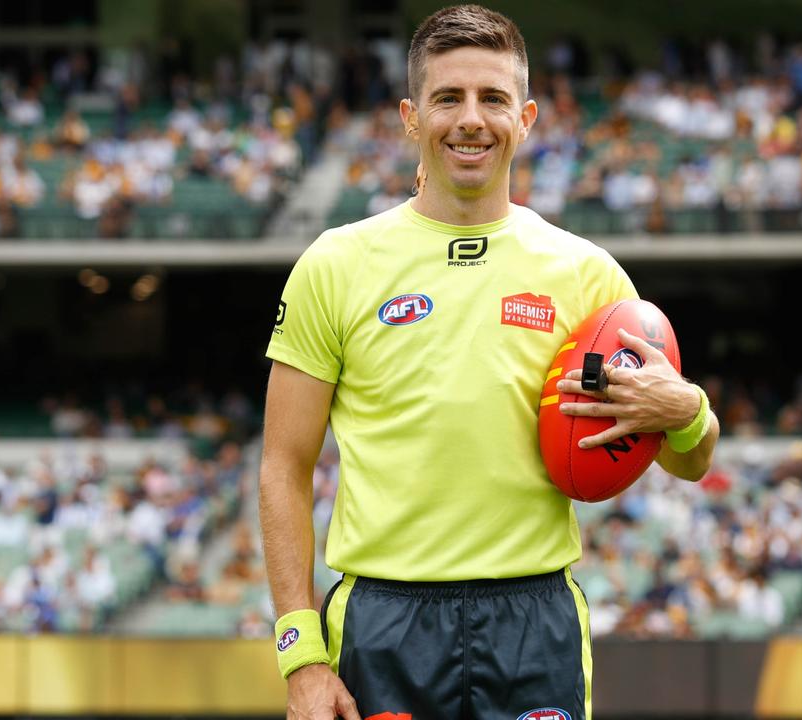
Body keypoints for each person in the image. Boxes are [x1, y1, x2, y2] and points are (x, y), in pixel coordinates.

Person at [260, 6, 719, 720]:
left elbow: (690, 460)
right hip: (384, 619)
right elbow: (282, 466)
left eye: (492, 98)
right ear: (412, 117)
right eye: (448, 98)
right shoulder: (336, 265)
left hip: (534, 619)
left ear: (527, 116)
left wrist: (687, 411)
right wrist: (301, 655)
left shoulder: (587, 276)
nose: (470, 119)